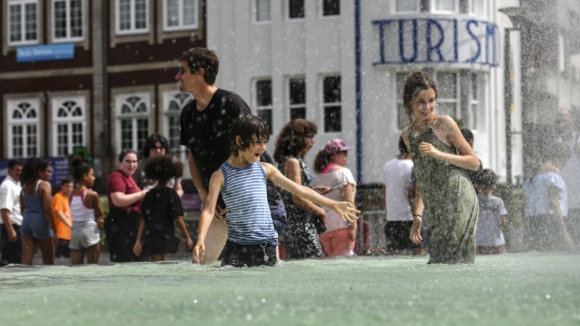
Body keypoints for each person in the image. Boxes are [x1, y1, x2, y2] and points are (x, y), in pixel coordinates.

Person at [193, 115, 359, 267]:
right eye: (257, 142)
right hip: (238, 249)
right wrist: (201, 239)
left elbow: (300, 190)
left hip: (267, 248)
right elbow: (208, 211)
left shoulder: (266, 169)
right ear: (239, 140)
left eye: (265, 142)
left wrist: (333, 204)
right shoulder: (220, 176)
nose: (263, 147)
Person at [177, 47, 252, 263]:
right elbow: (192, 159)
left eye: (182, 70)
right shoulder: (188, 113)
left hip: (253, 200)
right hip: (216, 204)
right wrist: (203, 193)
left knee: (259, 268)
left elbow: (253, 154)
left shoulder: (232, 104)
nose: (177, 76)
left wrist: (238, 195)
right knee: (202, 264)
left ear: (199, 73)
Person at [401, 71, 480, 264]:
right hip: (436, 205)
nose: (427, 107)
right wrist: (418, 215)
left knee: (451, 262)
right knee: (439, 261)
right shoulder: (408, 134)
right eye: (421, 101)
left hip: (459, 199)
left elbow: (474, 162)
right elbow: (422, 175)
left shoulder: (443, 123)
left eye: (431, 100)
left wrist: (439, 154)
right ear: (410, 102)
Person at [273, 119, 326, 259]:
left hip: (292, 228)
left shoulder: (288, 160)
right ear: (298, 139)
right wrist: (320, 211)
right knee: (314, 265)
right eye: (310, 136)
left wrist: (313, 191)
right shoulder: (293, 162)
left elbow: (295, 191)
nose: (313, 141)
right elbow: (297, 198)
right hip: (300, 227)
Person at [133, 155, 193, 262]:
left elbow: (144, 219)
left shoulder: (149, 194)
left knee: (159, 260)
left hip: (151, 234)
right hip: (163, 235)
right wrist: (187, 237)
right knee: (160, 262)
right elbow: (177, 218)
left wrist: (138, 240)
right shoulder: (171, 194)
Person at [523, 142, 575, 252]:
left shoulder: (532, 178)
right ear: (558, 157)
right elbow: (553, 200)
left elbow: (526, 203)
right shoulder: (553, 176)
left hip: (535, 220)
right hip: (551, 219)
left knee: (543, 253)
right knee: (559, 252)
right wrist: (562, 225)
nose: (565, 165)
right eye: (565, 160)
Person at [312, 139, 357, 257]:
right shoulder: (344, 172)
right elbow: (349, 202)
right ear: (334, 155)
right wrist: (353, 226)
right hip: (341, 225)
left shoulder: (318, 177)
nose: (347, 155)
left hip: (325, 228)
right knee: (344, 266)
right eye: (344, 153)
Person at [381, 136, 425, 256]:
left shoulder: (387, 166)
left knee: (393, 256)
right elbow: (412, 194)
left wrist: (388, 212)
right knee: (418, 253)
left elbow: (384, 192)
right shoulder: (411, 166)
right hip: (409, 218)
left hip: (392, 218)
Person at [105, 149, 147, 262]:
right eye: (128, 161)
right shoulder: (117, 177)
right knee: (125, 260)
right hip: (121, 223)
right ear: (119, 162)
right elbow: (118, 201)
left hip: (129, 223)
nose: (132, 165)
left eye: (134, 161)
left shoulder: (129, 177)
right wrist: (143, 193)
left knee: (133, 260)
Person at [20, 158, 57, 265]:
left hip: (26, 222)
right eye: (47, 171)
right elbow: (47, 209)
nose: (50, 174)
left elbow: (22, 208)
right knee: (49, 261)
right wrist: (55, 231)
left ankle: (22, 280)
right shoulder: (44, 185)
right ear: (39, 172)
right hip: (41, 222)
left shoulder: (24, 186)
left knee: (26, 260)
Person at [69, 157, 105, 264]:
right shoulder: (92, 194)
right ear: (85, 176)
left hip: (75, 232)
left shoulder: (71, 195)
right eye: (92, 175)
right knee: (92, 268)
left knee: (76, 270)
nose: (94, 178)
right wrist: (101, 220)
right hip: (89, 231)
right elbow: (100, 215)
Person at [133, 134, 184, 198]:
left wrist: (170, 199)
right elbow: (132, 188)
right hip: (148, 201)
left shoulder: (172, 164)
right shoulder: (140, 165)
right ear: (148, 150)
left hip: (168, 201)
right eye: (154, 148)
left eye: (161, 148)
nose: (158, 151)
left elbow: (179, 190)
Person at [475, 169, 508, 255]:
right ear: (494, 186)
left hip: (479, 243)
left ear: (477, 185)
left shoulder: (475, 200)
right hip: (496, 243)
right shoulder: (498, 202)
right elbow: (503, 222)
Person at [0, 159, 23, 265]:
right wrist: (10, 230)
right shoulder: (8, 186)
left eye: (21, 170)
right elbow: (4, 210)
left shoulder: (16, 184)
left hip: (16, 227)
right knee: (14, 260)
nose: (19, 173)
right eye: (17, 170)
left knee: (9, 259)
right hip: (12, 226)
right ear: (9, 170)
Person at [52, 177, 73, 259]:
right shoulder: (58, 197)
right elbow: (59, 213)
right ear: (62, 186)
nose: (69, 189)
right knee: (56, 258)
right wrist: (70, 226)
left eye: (71, 186)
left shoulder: (68, 198)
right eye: (67, 186)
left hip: (69, 234)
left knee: (67, 259)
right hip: (61, 234)